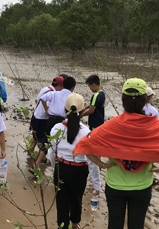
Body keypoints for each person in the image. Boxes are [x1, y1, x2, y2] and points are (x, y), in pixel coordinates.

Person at [73, 78, 159, 229]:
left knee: (114, 225)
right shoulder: (155, 128)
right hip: (142, 187)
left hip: (115, 187)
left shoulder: (110, 127)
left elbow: (84, 145)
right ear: (145, 100)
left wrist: (101, 164)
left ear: (122, 100)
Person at [49, 94, 100, 229]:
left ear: (64, 110)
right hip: (79, 170)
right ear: (83, 111)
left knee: (61, 200)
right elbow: (92, 161)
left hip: (61, 168)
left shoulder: (56, 129)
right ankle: (75, 224)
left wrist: (56, 168)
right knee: (77, 199)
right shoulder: (86, 133)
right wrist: (96, 184)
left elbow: (52, 153)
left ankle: (62, 226)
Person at [32, 76, 76, 169]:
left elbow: (42, 98)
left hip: (51, 120)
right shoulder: (72, 97)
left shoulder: (55, 93)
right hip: (63, 122)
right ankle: (57, 166)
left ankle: (35, 165)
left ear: (62, 85)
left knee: (46, 142)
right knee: (61, 143)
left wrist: (46, 109)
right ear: (73, 87)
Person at [28, 76, 63, 157]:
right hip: (42, 119)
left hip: (35, 116)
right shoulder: (53, 94)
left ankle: (29, 153)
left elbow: (36, 100)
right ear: (60, 86)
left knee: (35, 137)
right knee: (43, 140)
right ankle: (42, 158)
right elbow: (49, 111)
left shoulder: (45, 89)